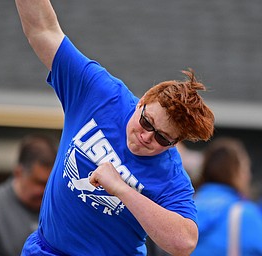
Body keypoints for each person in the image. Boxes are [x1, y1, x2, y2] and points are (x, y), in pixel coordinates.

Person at [14, 1, 215, 255]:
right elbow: (43, 30)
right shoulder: (100, 93)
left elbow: (184, 243)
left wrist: (120, 188)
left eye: (162, 138)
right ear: (142, 101)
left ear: (174, 144)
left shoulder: (170, 175)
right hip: (47, 249)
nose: (146, 137)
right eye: (146, 122)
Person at [191, 137, 262, 256]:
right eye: (246, 168)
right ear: (236, 172)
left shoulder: (186, 208)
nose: (249, 175)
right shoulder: (245, 213)